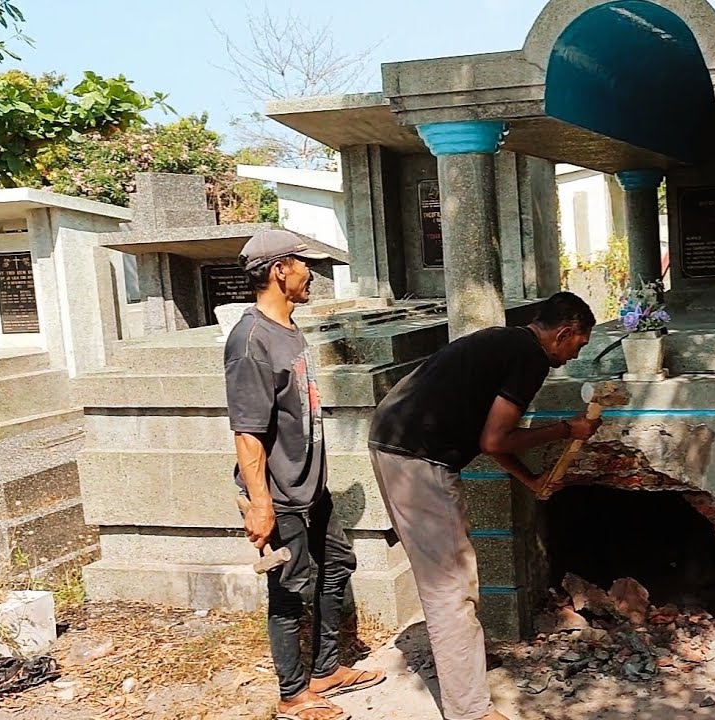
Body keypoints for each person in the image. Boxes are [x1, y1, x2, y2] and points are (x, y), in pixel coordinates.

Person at [367, 292, 603, 720]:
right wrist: (568, 428)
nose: (573, 356)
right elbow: (494, 440)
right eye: (578, 345)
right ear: (564, 333)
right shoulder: (530, 358)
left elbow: (489, 436)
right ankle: (470, 710)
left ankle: (463, 672)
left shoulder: (506, 342)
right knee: (451, 587)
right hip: (417, 458)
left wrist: (529, 478)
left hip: (392, 440)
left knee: (451, 581)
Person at [224, 229, 385, 720]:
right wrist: (260, 503)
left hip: (311, 487)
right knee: (291, 588)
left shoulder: (287, 330)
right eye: (302, 264)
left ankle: (327, 669)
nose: (309, 273)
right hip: (280, 492)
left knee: (337, 564)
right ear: (279, 270)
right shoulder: (250, 340)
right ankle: (293, 694)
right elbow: (248, 431)